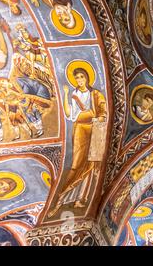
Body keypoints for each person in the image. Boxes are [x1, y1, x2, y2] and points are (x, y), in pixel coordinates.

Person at [48, 66, 107, 216]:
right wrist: (67, 94)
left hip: (93, 130)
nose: (80, 80)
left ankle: (81, 198)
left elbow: (103, 111)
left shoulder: (95, 94)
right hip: (80, 129)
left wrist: (99, 118)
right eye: (77, 78)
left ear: (87, 77)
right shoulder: (74, 94)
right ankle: (62, 198)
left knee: (90, 163)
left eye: (82, 77)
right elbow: (70, 115)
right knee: (77, 164)